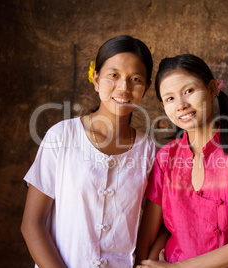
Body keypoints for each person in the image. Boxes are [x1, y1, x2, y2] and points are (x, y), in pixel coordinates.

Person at [21, 35, 156, 268]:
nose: (124, 88)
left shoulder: (149, 150)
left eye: (135, 79)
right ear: (95, 79)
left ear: (146, 88)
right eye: (113, 75)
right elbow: (32, 224)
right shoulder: (62, 136)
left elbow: (157, 225)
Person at [135, 54, 228, 268]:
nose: (181, 105)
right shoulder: (165, 158)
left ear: (211, 89)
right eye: (170, 98)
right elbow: (149, 235)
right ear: (164, 107)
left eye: (189, 91)